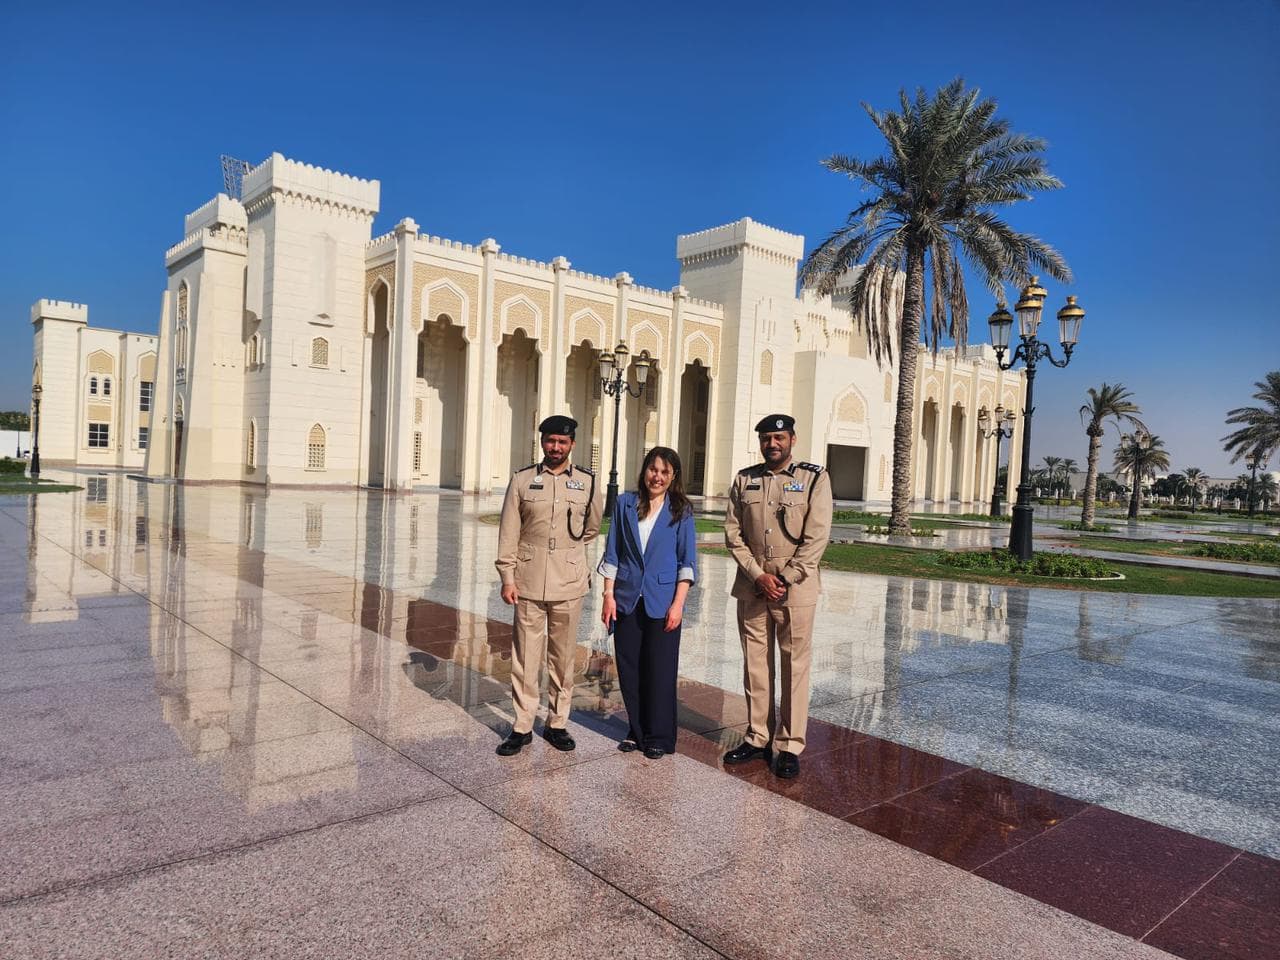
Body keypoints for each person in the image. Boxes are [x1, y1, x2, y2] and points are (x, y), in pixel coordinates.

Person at [721, 414, 833, 779]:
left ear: (792, 439)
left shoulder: (814, 478)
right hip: (753, 586)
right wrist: (759, 575)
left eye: (779, 437)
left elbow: (816, 538)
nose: (773, 444)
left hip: (795, 589)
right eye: (767, 438)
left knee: (794, 666)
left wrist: (783, 577)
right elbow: (733, 534)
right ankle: (757, 737)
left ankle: (789, 745)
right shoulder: (745, 479)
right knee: (755, 664)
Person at [493, 415, 603, 756]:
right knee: (525, 657)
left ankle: (557, 722)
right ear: (542, 442)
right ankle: (523, 724)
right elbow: (509, 531)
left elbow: (591, 527)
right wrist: (507, 577)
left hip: (568, 581)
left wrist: (568, 554)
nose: (555, 447)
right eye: (550, 441)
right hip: (528, 581)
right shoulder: (524, 480)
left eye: (562, 442)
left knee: (563, 656)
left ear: (572, 444)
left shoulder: (587, 481)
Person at [598, 446, 698, 760]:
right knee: (630, 668)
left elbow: (687, 562)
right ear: (644, 470)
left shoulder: (680, 510)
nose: (657, 476)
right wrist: (608, 594)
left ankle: (659, 736)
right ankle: (636, 730)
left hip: (663, 600)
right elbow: (612, 553)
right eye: (653, 469)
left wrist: (678, 604)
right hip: (627, 598)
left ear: (673, 477)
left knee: (660, 669)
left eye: (665, 472)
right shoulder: (626, 504)